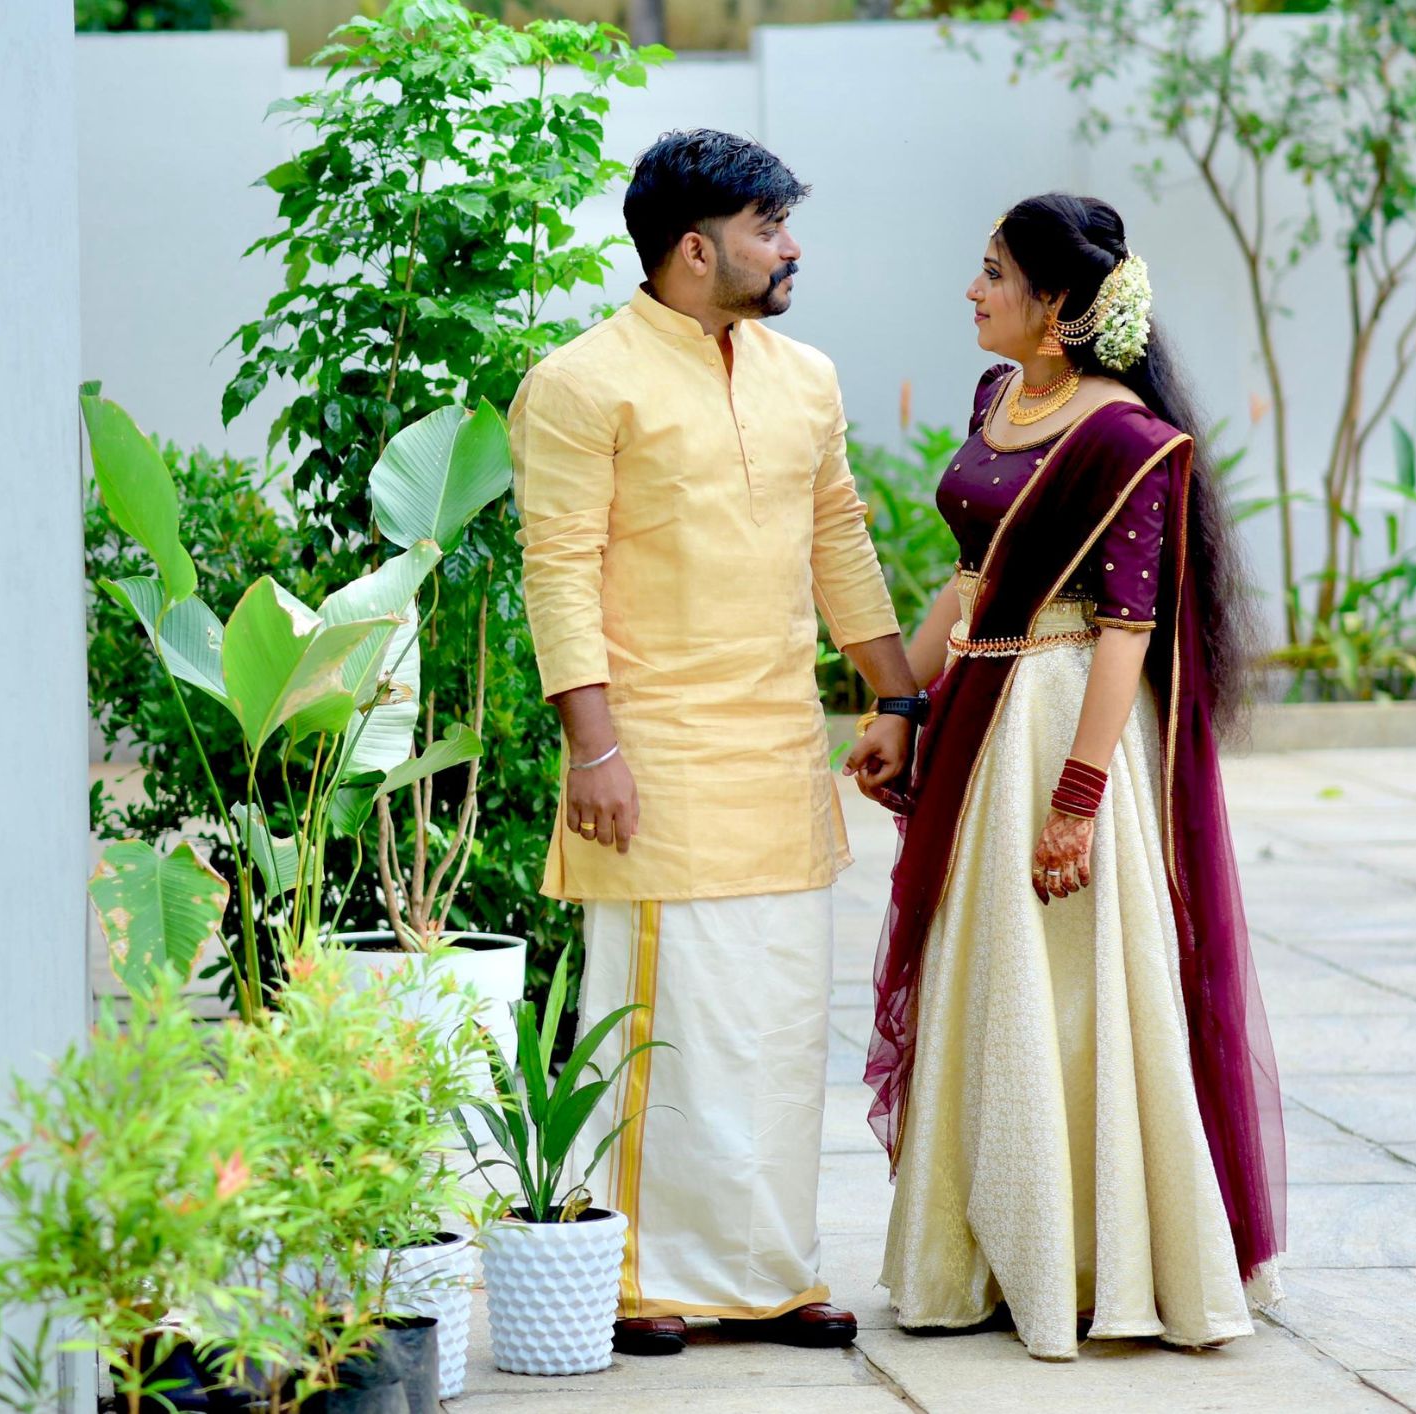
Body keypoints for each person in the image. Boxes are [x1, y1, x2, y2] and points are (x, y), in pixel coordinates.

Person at [508, 130, 920, 1358]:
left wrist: (894, 699)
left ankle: (772, 1271)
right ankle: (641, 1272)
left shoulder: (805, 375)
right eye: (767, 228)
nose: (791, 248)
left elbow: (838, 538)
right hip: (656, 756)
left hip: (778, 750)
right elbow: (557, 571)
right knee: (669, 1028)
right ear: (694, 249)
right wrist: (593, 749)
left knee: (777, 1028)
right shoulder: (583, 382)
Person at [864, 193, 1287, 1361]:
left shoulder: (1127, 441)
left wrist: (1077, 798)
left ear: (1055, 306)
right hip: (977, 715)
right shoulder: (996, 398)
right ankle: (980, 1252)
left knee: (1070, 987)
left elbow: (1126, 630)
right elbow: (969, 577)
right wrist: (900, 700)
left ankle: (1092, 1258)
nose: (972, 289)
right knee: (987, 976)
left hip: (1060, 721)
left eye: (992, 272)